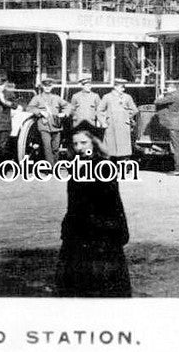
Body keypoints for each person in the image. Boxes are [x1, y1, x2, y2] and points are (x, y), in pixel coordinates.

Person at [54, 122, 131, 297]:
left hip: (101, 233)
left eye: (83, 143)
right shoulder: (75, 166)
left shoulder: (104, 167)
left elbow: (114, 202)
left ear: (94, 144)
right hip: (77, 232)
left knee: (102, 286)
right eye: (75, 144)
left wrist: (119, 231)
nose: (79, 147)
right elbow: (72, 203)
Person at [27, 78, 70, 163]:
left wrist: (64, 113)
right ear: (42, 86)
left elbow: (68, 106)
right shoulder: (37, 98)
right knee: (47, 147)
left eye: (49, 86)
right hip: (44, 125)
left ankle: (54, 165)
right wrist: (40, 112)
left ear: (52, 87)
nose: (47, 88)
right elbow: (29, 108)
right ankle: (50, 167)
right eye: (45, 86)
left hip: (56, 125)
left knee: (55, 148)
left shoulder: (56, 98)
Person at [153, 80, 179, 175]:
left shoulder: (172, 96)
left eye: (168, 88)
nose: (167, 89)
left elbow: (157, 102)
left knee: (176, 148)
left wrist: (160, 96)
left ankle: (178, 170)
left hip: (174, 125)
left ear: (172, 88)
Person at [98, 78, 138, 161]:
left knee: (123, 148)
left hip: (123, 125)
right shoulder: (107, 97)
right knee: (110, 147)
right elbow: (99, 110)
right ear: (115, 87)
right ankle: (109, 166)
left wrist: (127, 116)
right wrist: (103, 122)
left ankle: (123, 164)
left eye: (124, 87)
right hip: (111, 125)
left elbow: (134, 110)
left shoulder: (127, 97)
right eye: (121, 87)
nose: (123, 89)